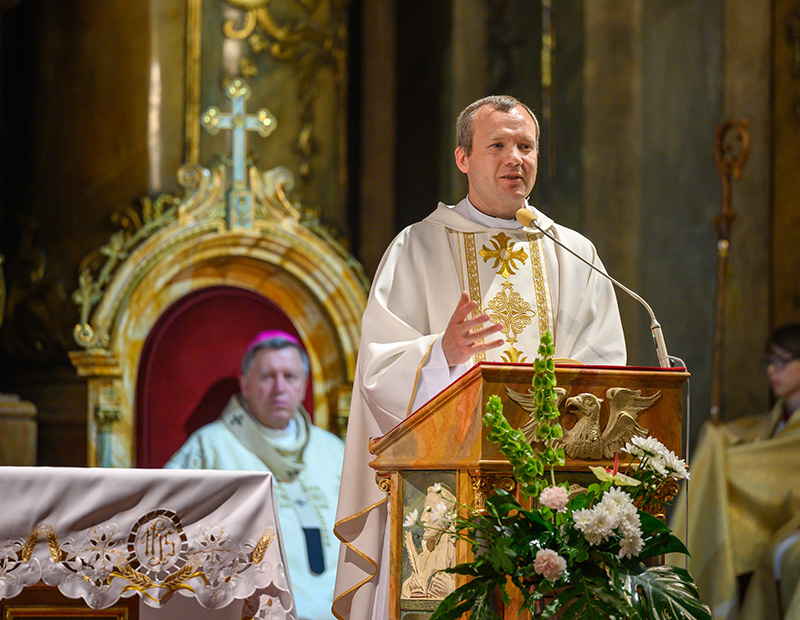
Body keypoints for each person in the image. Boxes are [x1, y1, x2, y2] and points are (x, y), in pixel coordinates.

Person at [333, 95, 626, 619]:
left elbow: (606, 367)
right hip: (445, 493)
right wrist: (440, 353)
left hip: (554, 491)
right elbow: (377, 373)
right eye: (499, 145)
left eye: (526, 146)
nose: (516, 158)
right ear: (463, 158)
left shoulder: (575, 254)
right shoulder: (417, 247)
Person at [165, 330, 344, 620]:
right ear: (245, 385)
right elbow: (167, 522)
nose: (279, 387)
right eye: (267, 377)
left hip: (339, 608)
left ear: (304, 386)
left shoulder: (333, 450)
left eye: (290, 376)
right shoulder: (210, 446)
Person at [668, 323, 800, 620]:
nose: (771, 371)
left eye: (782, 362)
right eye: (769, 362)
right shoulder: (775, 418)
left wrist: (731, 459)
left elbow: (774, 471)